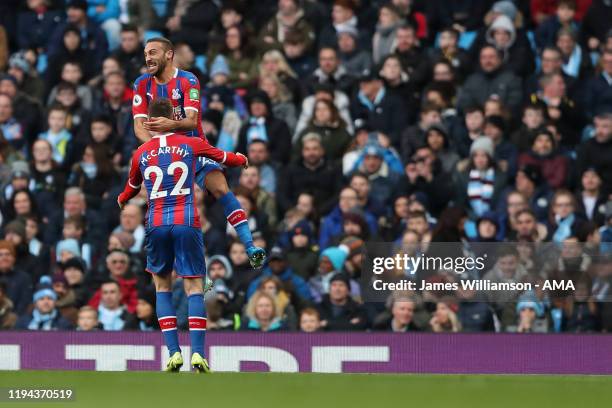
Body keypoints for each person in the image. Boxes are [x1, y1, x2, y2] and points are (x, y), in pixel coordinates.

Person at [118, 98, 247, 373]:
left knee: (162, 287)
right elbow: (225, 158)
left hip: (155, 224)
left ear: (150, 123)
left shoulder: (141, 152)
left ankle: (173, 354)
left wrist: (121, 198)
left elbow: (130, 188)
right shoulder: (189, 144)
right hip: (186, 221)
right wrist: (242, 159)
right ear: (173, 118)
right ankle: (198, 355)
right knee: (194, 288)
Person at [132, 36, 266, 268]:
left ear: (169, 55)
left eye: (153, 52)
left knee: (222, 189)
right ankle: (189, 269)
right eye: (146, 53)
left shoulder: (188, 80)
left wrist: (169, 128)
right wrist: (160, 146)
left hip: (195, 148)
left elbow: (192, 121)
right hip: (166, 155)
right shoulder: (141, 84)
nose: (148, 57)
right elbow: (139, 126)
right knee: (175, 212)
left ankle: (250, 246)